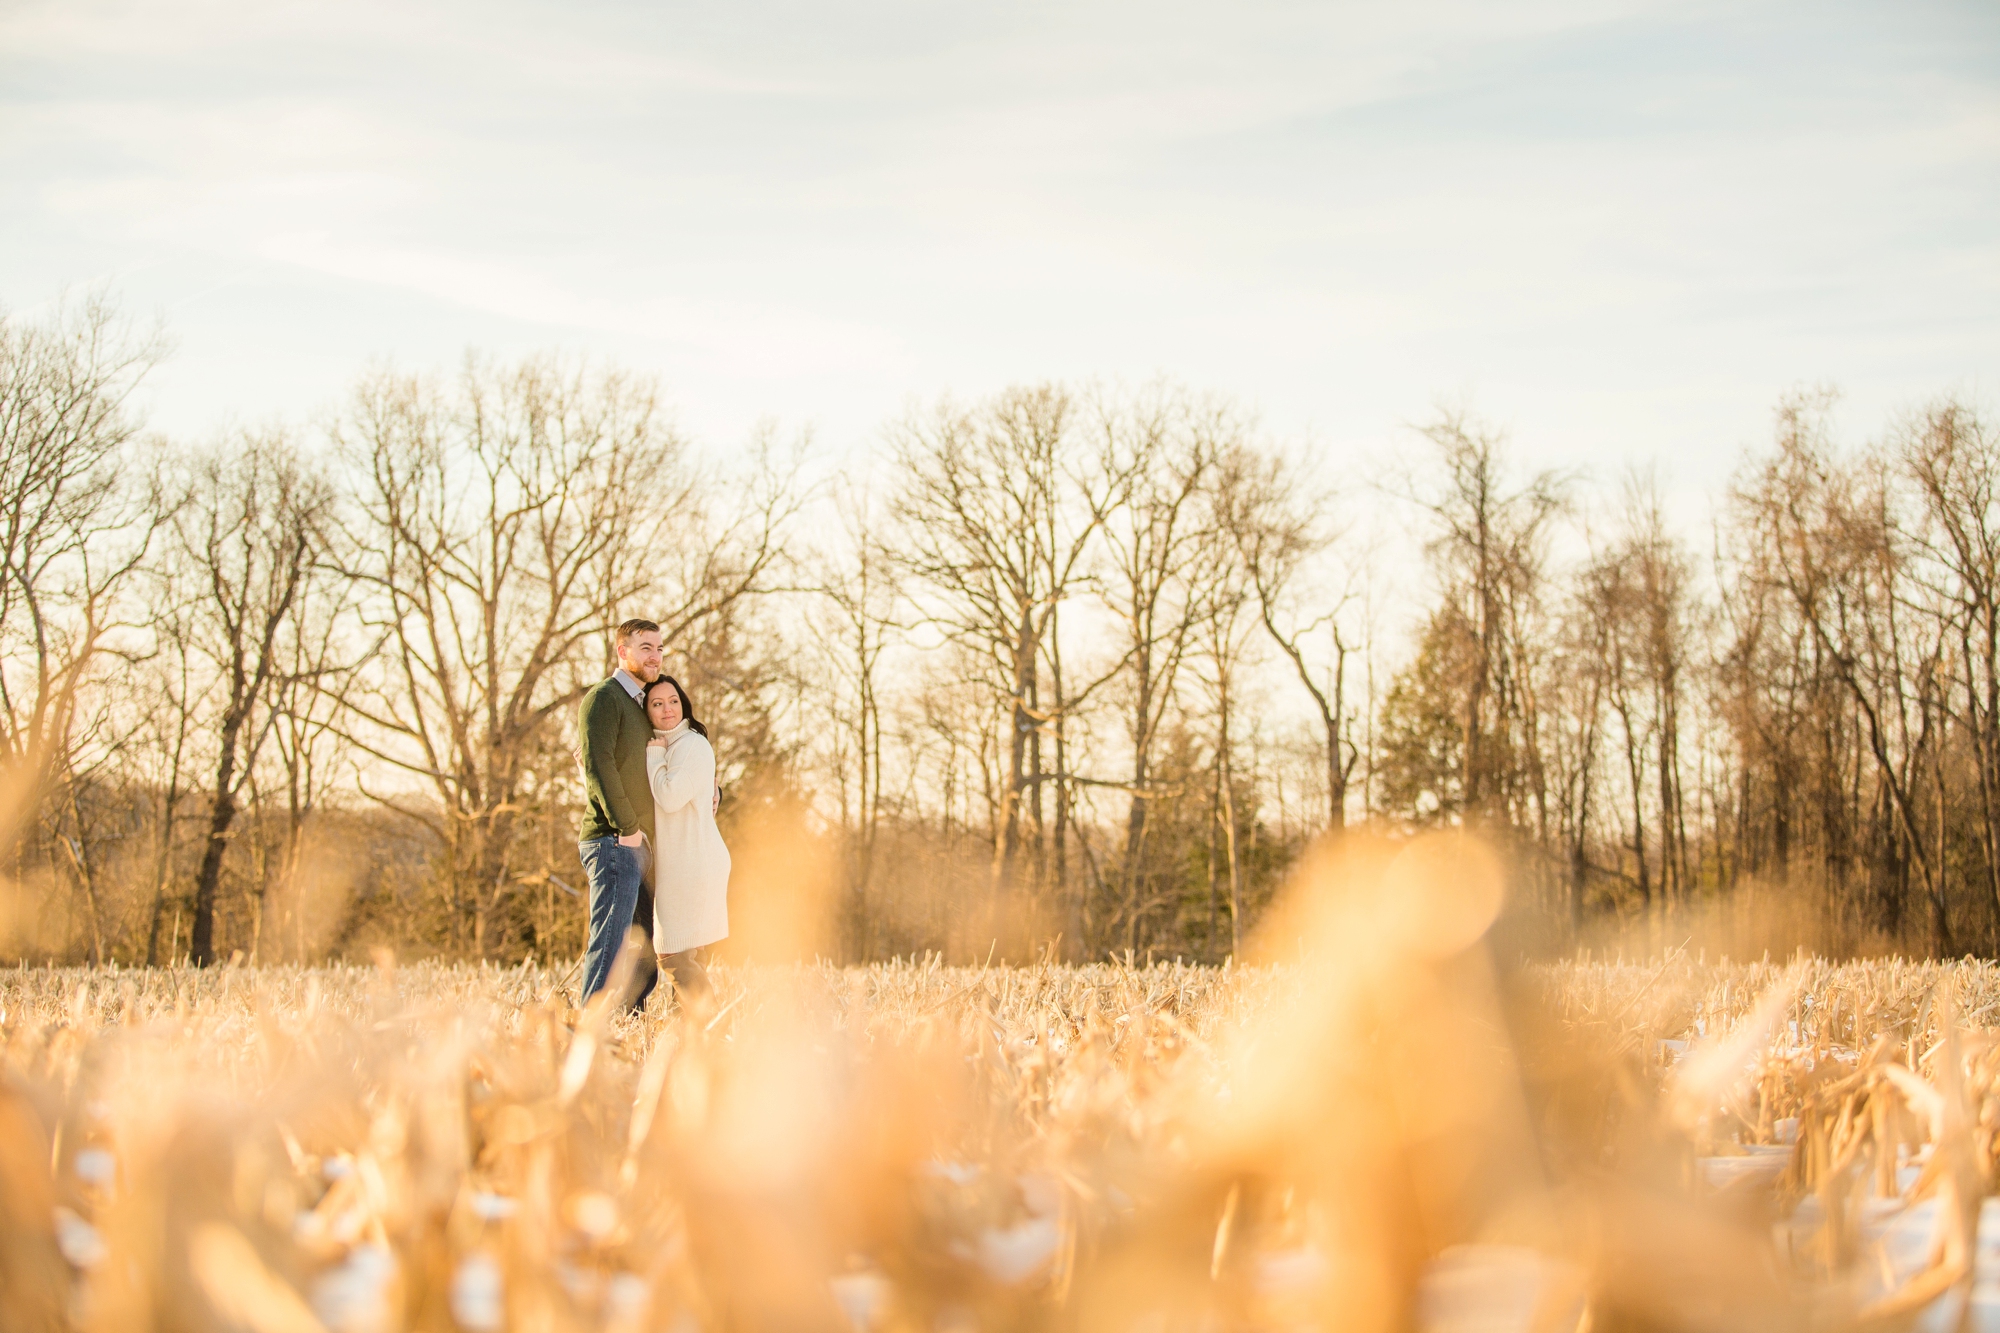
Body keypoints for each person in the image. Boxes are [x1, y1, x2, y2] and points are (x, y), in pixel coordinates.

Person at [575, 619, 663, 1010]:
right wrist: (626, 827)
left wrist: (714, 789)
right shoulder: (604, 698)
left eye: (659, 648)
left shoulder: (644, 704)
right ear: (622, 651)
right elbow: (598, 764)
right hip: (613, 841)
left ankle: (629, 1027)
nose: (655, 656)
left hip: (640, 844)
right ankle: (588, 1033)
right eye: (646, 647)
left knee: (643, 948)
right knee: (610, 941)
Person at [643, 675, 730, 1002]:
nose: (667, 709)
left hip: (693, 864)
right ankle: (693, 1038)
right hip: (685, 863)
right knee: (689, 953)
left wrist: (654, 758)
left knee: (673, 954)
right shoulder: (674, 745)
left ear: (684, 705)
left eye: (673, 701)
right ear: (648, 711)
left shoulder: (691, 743)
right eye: (657, 703)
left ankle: (711, 1025)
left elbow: (669, 797)